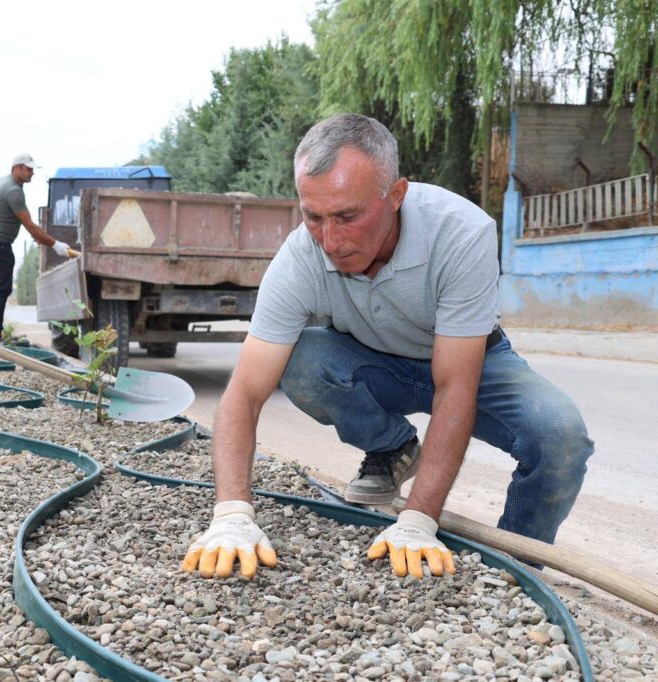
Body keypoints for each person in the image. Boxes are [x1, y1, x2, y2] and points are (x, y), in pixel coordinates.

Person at [181, 114, 594, 580]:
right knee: (299, 359)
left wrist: (417, 522)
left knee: (561, 436)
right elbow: (245, 391)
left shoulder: (460, 232)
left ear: (396, 195)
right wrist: (231, 515)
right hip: (374, 360)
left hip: (470, 361)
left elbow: (455, 387)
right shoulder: (300, 258)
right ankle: (393, 447)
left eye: (347, 217)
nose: (330, 241)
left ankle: (519, 567)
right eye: (313, 217)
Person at [0, 153, 72, 343]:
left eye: (32, 169)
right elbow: (29, 224)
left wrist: (40, 237)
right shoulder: (13, 191)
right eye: (28, 169)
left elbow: (20, 222)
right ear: (17, 168)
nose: (32, 173)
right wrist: (55, 245)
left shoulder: (5, 182)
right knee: (1, 290)